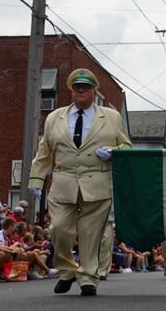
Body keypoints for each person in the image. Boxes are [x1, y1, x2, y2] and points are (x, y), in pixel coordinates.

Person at [28, 68, 132, 297]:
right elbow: (44, 151)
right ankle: (66, 270)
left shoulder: (111, 117)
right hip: (63, 181)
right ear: (71, 92)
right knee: (59, 230)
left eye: (85, 88)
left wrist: (114, 152)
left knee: (91, 235)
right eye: (76, 88)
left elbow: (127, 146)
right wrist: (36, 179)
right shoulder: (56, 117)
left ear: (94, 92)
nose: (80, 92)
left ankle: (88, 278)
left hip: (98, 182)